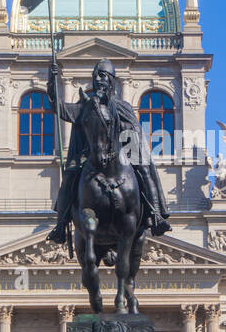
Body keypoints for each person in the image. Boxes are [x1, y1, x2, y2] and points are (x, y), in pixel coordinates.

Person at [45, 58, 171, 243]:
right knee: (70, 176)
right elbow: (60, 108)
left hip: (122, 150)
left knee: (144, 169)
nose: (98, 79)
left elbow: (133, 128)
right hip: (89, 154)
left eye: (102, 75)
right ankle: (61, 225)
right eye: (95, 75)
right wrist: (52, 81)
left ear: (111, 79)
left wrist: (130, 146)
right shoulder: (86, 106)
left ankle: (156, 214)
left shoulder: (122, 106)